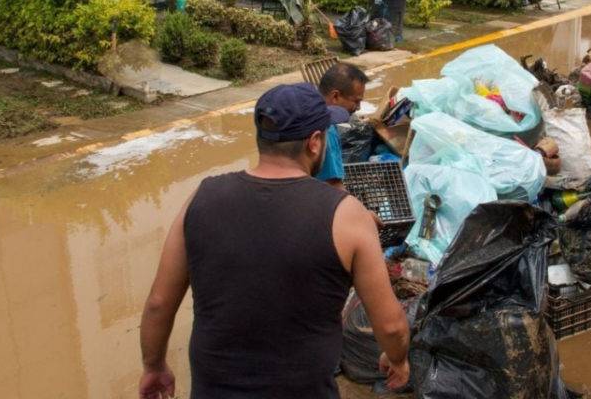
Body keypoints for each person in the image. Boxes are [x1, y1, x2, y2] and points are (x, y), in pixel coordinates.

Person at [138, 83, 410, 399]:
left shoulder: (202, 198)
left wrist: (154, 366)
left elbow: (158, 304)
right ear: (315, 143)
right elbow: (391, 327)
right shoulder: (348, 216)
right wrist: (397, 358)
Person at [316, 62, 369, 189]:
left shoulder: (302, 113)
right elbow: (334, 187)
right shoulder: (327, 131)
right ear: (335, 96)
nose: (358, 107)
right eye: (356, 101)